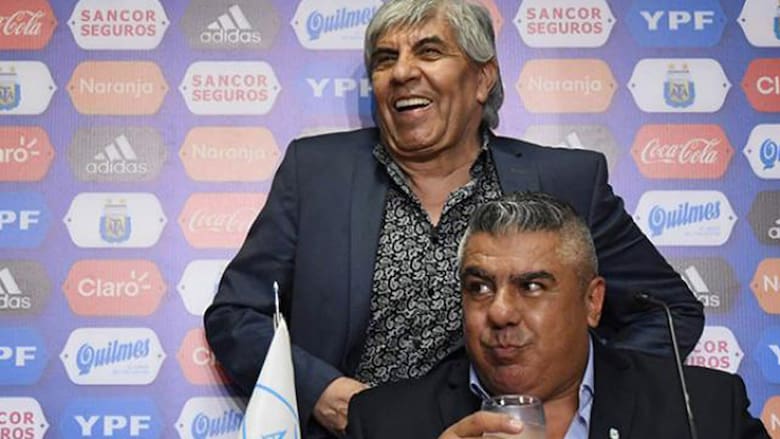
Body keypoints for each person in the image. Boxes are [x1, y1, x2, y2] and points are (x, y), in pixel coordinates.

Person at [204, 1, 704, 437]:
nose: (402, 72)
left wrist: (581, 400)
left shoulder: (566, 180)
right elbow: (235, 315)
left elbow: (667, 312)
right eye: (385, 59)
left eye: (428, 51)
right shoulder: (316, 174)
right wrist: (323, 393)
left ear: (483, 78)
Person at [347, 192, 768, 439]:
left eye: (532, 286)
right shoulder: (385, 422)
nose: (500, 312)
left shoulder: (703, 409)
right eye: (479, 287)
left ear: (592, 302)